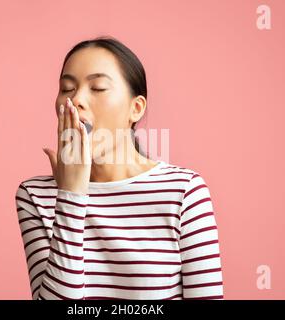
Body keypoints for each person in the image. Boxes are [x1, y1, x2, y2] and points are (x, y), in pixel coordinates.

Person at [15, 36, 224, 300]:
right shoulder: (35, 196)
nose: (76, 99)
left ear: (135, 109)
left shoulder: (184, 193)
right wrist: (71, 194)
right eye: (67, 88)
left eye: (98, 88)